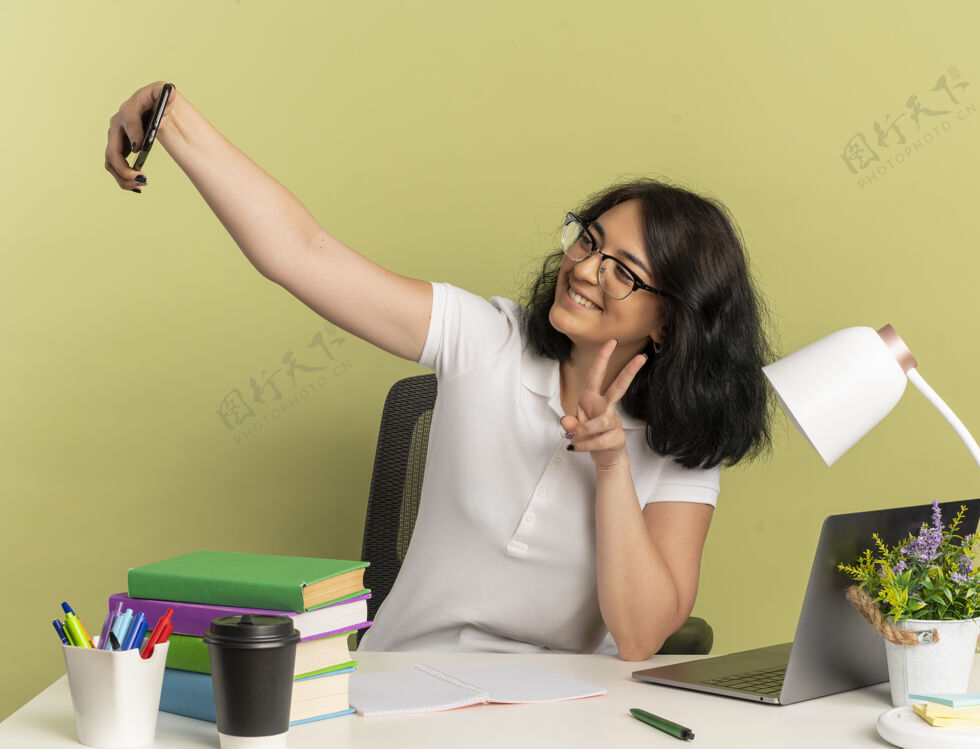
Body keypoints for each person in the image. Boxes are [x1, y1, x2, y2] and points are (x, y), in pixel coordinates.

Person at [105, 81, 774, 660]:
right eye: (589, 240)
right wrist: (171, 114)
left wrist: (611, 464)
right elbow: (302, 252)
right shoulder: (486, 337)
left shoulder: (685, 445)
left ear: (668, 321)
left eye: (623, 271)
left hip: (567, 708)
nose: (585, 269)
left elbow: (638, 636)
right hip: (407, 682)